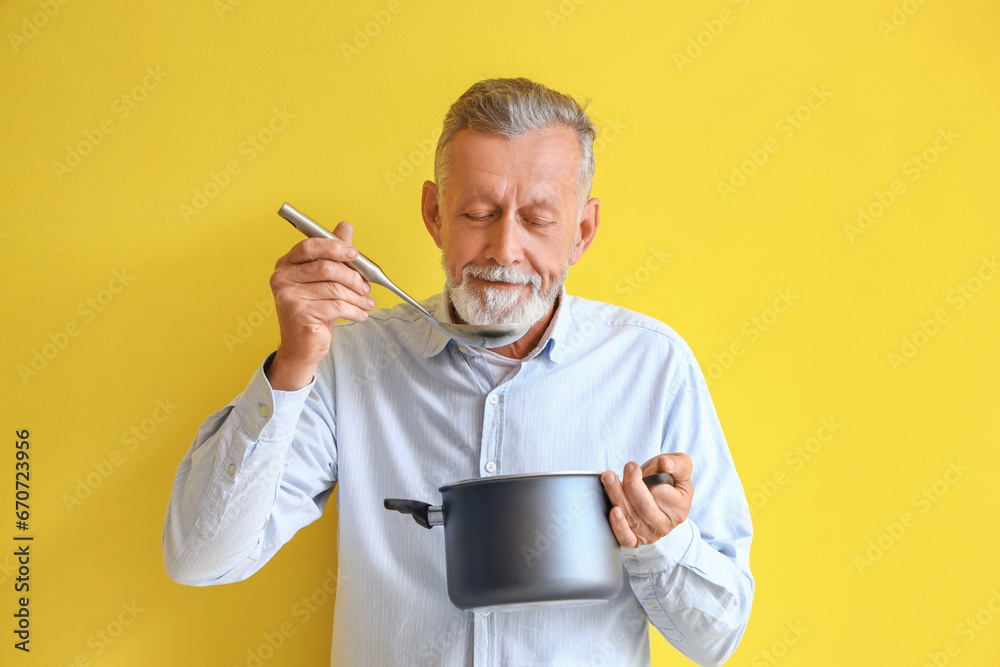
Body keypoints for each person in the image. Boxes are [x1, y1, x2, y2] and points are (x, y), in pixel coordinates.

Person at [163, 77, 753, 666]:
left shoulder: (652, 364)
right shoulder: (348, 363)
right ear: (433, 213)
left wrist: (662, 543)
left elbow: (718, 637)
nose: (503, 248)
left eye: (539, 219)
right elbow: (201, 557)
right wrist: (292, 365)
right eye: (478, 212)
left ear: (582, 232)